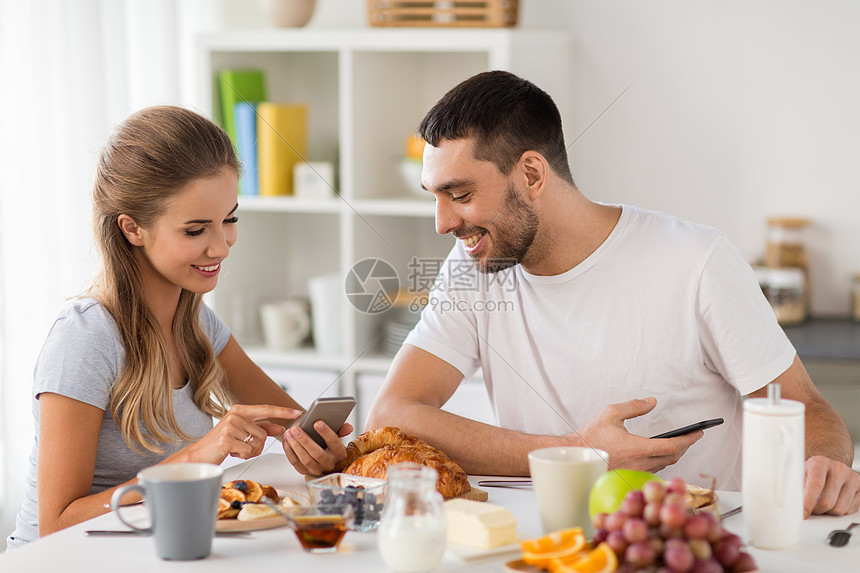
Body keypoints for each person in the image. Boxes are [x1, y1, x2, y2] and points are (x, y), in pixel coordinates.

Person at [366, 71, 860, 517]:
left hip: (688, 541)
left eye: (460, 195)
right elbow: (393, 413)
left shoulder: (697, 260)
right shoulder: (473, 267)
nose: (442, 223)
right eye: (434, 197)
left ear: (532, 175)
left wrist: (824, 468)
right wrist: (577, 452)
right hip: (544, 538)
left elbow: (806, 407)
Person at [7, 106, 350, 548]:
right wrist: (198, 457)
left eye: (229, 219)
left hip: (151, 551)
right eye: (194, 230)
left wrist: (318, 450)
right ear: (132, 228)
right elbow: (56, 523)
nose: (221, 246)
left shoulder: (196, 320)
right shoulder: (86, 337)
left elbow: (294, 427)